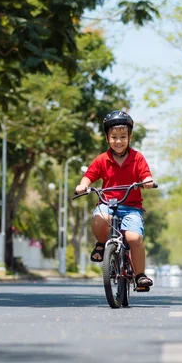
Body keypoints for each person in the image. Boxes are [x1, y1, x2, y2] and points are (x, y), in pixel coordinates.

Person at [75, 110, 155, 289]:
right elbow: (89, 176)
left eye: (123, 137)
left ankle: (140, 275)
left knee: (134, 238)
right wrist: (83, 185)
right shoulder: (102, 160)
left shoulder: (137, 158)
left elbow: (146, 175)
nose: (118, 141)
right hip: (107, 204)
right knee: (101, 217)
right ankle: (102, 244)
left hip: (131, 207)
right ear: (107, 139)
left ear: (130, 137)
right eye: (114, 137)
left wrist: (147, 181)